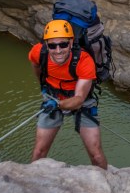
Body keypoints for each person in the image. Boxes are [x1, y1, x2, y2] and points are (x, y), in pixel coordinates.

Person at [28, 19, 108, 169]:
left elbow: (79, 99)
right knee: (39, 152)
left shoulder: (84, 61)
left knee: (96, 155)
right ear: (46, 44)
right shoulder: (38, 52)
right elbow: (35, 65)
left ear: (71, 42)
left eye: (63, 44)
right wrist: (43, 86)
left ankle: (107, 183)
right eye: (52, 45)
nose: (58, 50)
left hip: (81, 102)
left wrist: (58, 105)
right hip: (53, 96)